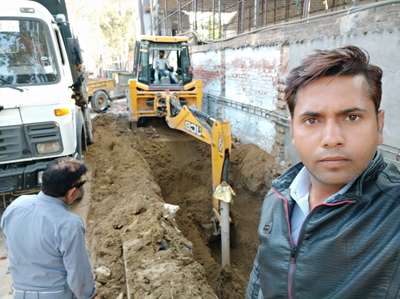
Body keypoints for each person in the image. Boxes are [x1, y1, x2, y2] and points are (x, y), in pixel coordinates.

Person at [247, 46, 400, 299]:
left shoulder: (393, 213)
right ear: (294, 131)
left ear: (379, 125)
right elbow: (259, 282)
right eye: (312, 120)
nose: (332, 139)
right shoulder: (278, 198)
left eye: (351, 117)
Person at [1, 158, 97, 299]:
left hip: (20, 293)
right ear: (71, 193)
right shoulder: (69, 224)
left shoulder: (16, 206)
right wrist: (90, 295)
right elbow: (78, 274)